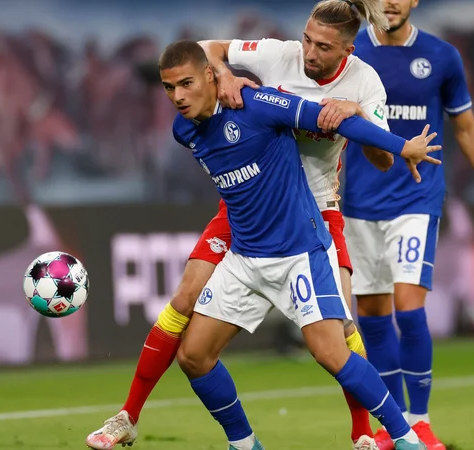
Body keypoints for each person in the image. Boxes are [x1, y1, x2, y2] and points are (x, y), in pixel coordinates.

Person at [86, 1, 433, 449]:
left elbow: (381, 158)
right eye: (306, 38)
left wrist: (367, 123)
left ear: (347, 48)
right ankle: (141, 418)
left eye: (322, 46)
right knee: (187, 318)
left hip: (311, 213)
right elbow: (207, 49)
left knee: (339, 337)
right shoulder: (268, 61)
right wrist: (223, 72)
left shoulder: (362, 82)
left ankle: (374, 434)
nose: (307, 51)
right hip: (245, 217)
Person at [341, 1, 474, 449]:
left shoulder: (441, 56)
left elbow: (465, 127)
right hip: (360, 202)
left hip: (416, 197)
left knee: (409, 307)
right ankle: (395, 427)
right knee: (371, 314)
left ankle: (420, 420)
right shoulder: (349, 54)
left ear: (413, 2)